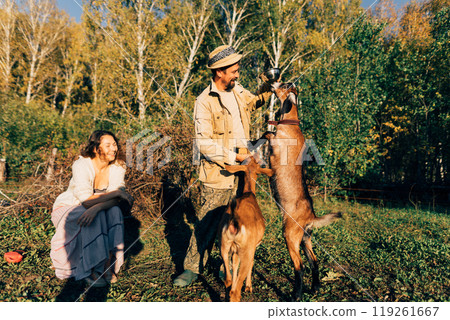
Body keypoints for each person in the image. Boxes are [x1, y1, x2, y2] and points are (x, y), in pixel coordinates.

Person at [173, 45, 273, 287]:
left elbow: (255, 101)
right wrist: (235, 158)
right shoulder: (204, 101)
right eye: (233, 71)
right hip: (219, 173)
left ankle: (224, 266)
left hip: (243, 172)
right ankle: (191, 268)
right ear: (219, 72)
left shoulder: (237, 90)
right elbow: (204, 143)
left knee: (237, 222)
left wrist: (269, 85)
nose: (238, 75)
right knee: (208, 222)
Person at [50, 130, 133, 287]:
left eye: (114, 145)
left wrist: (98, 207)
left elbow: (115, 200)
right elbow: (86, 201)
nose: (113, 149)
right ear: (96, 148)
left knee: (113, 212)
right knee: (98, 215)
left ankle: (106, 264)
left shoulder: (118, 165)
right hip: (69, 207)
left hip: (95, 209)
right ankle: (92, 268)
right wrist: (115, 194)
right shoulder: (81, 165)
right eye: (107, 145)